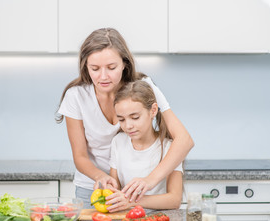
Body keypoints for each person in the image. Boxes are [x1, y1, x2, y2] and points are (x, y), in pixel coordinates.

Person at [56, 28, 193, 208]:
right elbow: (80, 156)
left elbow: (184, 140)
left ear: (124, 64)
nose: (103, 76)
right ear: (85, 66)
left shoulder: (142, 87)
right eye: (95, 69)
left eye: (111, 67)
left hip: (138, 189)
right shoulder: (76, 96)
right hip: (92, 188)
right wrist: (101, 177)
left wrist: (149, 181)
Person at [105, 81, 183, 212]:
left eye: (135, 117)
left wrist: (132, 201)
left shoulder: (169, 147)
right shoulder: (118, 141)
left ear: (153, 111)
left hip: (159, 220)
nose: (128, 126)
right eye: (122, 119)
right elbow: (115, 187)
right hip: (127, 220)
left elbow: (174, 200)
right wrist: (108, 188)